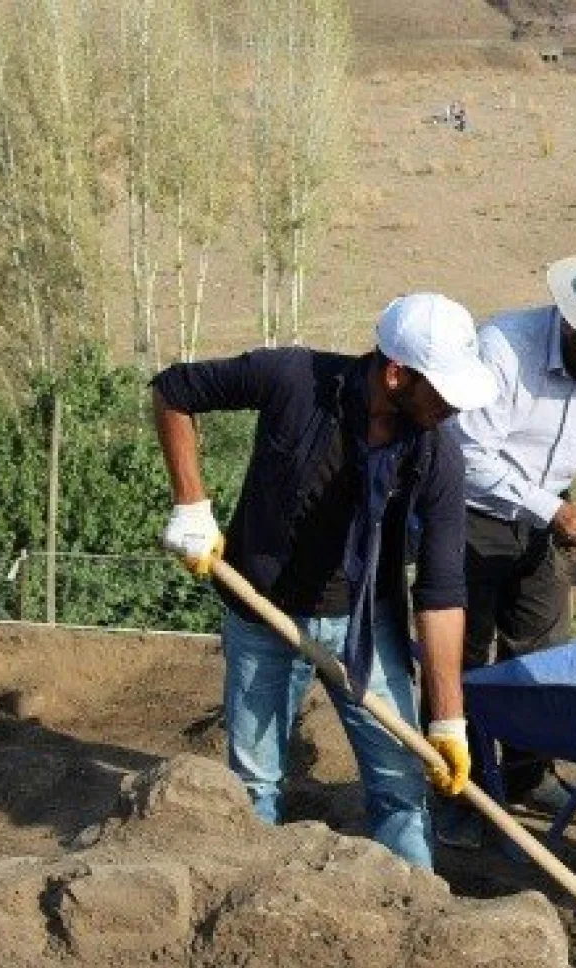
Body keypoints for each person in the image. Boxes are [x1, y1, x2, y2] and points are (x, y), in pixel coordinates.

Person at [151, 292, 498, 870]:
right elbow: (173, 391)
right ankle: (250, 892)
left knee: (400, 785)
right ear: (397, 375)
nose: (452, 409)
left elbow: (440, 594)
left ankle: (417, 905)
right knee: (254, 784)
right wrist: (190, 504)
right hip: (262, 612)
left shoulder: (436, 455)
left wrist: (447, 719)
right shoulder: (293, 379)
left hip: (365, 625)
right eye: (442, 393)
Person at [437, 258, 576, 846]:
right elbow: (470, 455)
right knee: (462, 661)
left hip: (548, 520)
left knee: (541, 653)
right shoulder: (504, 348)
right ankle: (454, 793)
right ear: (573, 324)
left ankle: (526, 775)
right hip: (471, 514)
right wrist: (554, 509)